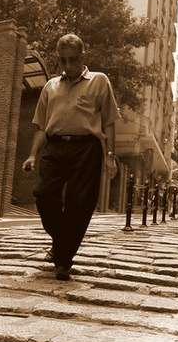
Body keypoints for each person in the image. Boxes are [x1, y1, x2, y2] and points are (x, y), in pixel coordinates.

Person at [22, 34, 120, 280]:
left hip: (86, 148)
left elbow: (109, 122)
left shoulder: (99, 81)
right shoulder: (50, 86)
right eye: (63, 60)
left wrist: (110, 156)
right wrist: (32, 155)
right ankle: (60, 244)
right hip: (54, 146)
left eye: (73, 60)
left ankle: (63, 260)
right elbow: (41, 126)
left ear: (82, 56)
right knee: (43, 194)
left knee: (79, 203)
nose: (68, 65)